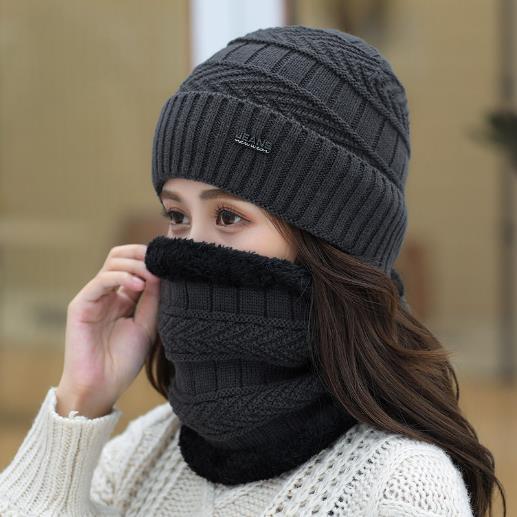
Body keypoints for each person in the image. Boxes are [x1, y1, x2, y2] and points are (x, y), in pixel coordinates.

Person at [0, 25, 505, 517]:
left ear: (329, 244)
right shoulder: (142, 454)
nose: (190, 250)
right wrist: (80, 398)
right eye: (177, 216)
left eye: (228, 217)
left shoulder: (398, 489)